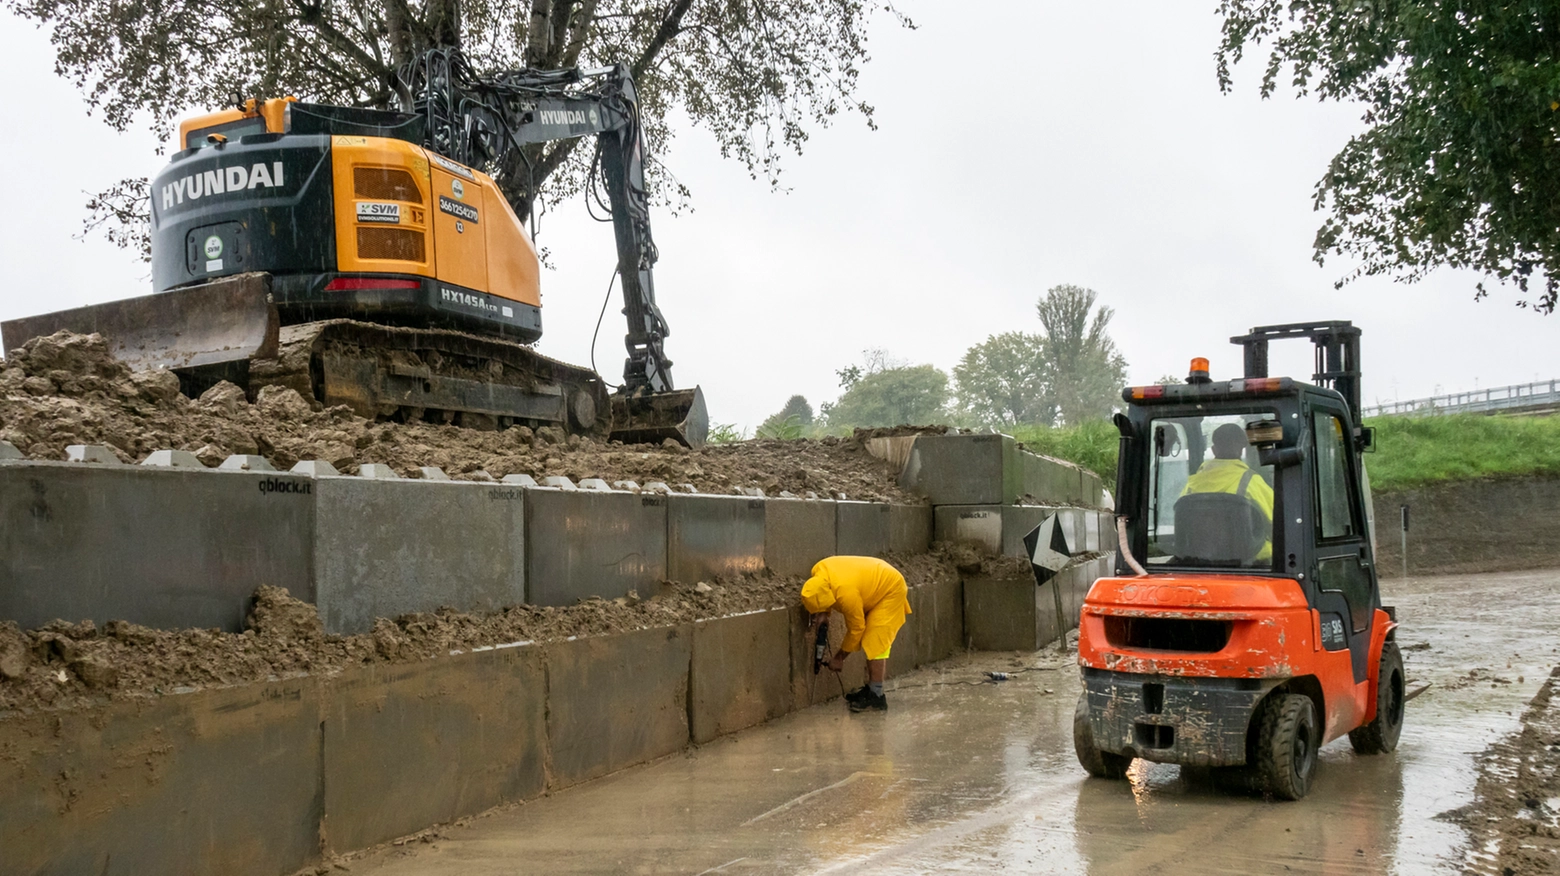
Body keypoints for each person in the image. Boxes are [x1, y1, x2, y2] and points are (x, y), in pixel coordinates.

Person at [800, 555, 910, 713]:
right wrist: (824, 613)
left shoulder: (846, 595)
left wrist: (839, 658)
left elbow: (857, 629)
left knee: (875, 640)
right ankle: (871, 689)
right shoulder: (818, 570)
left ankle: (876, 697)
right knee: (873, 637)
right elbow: (822, 592)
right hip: (872, 581)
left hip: (890, 588)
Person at [1181, 422, 1275, 561]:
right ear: (1242, 448)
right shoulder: (1250, 481)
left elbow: (1183, 521)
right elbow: (1278, 520)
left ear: (1213, 450)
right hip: (1251, 564)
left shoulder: (1192, 484)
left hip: (1202, 561)